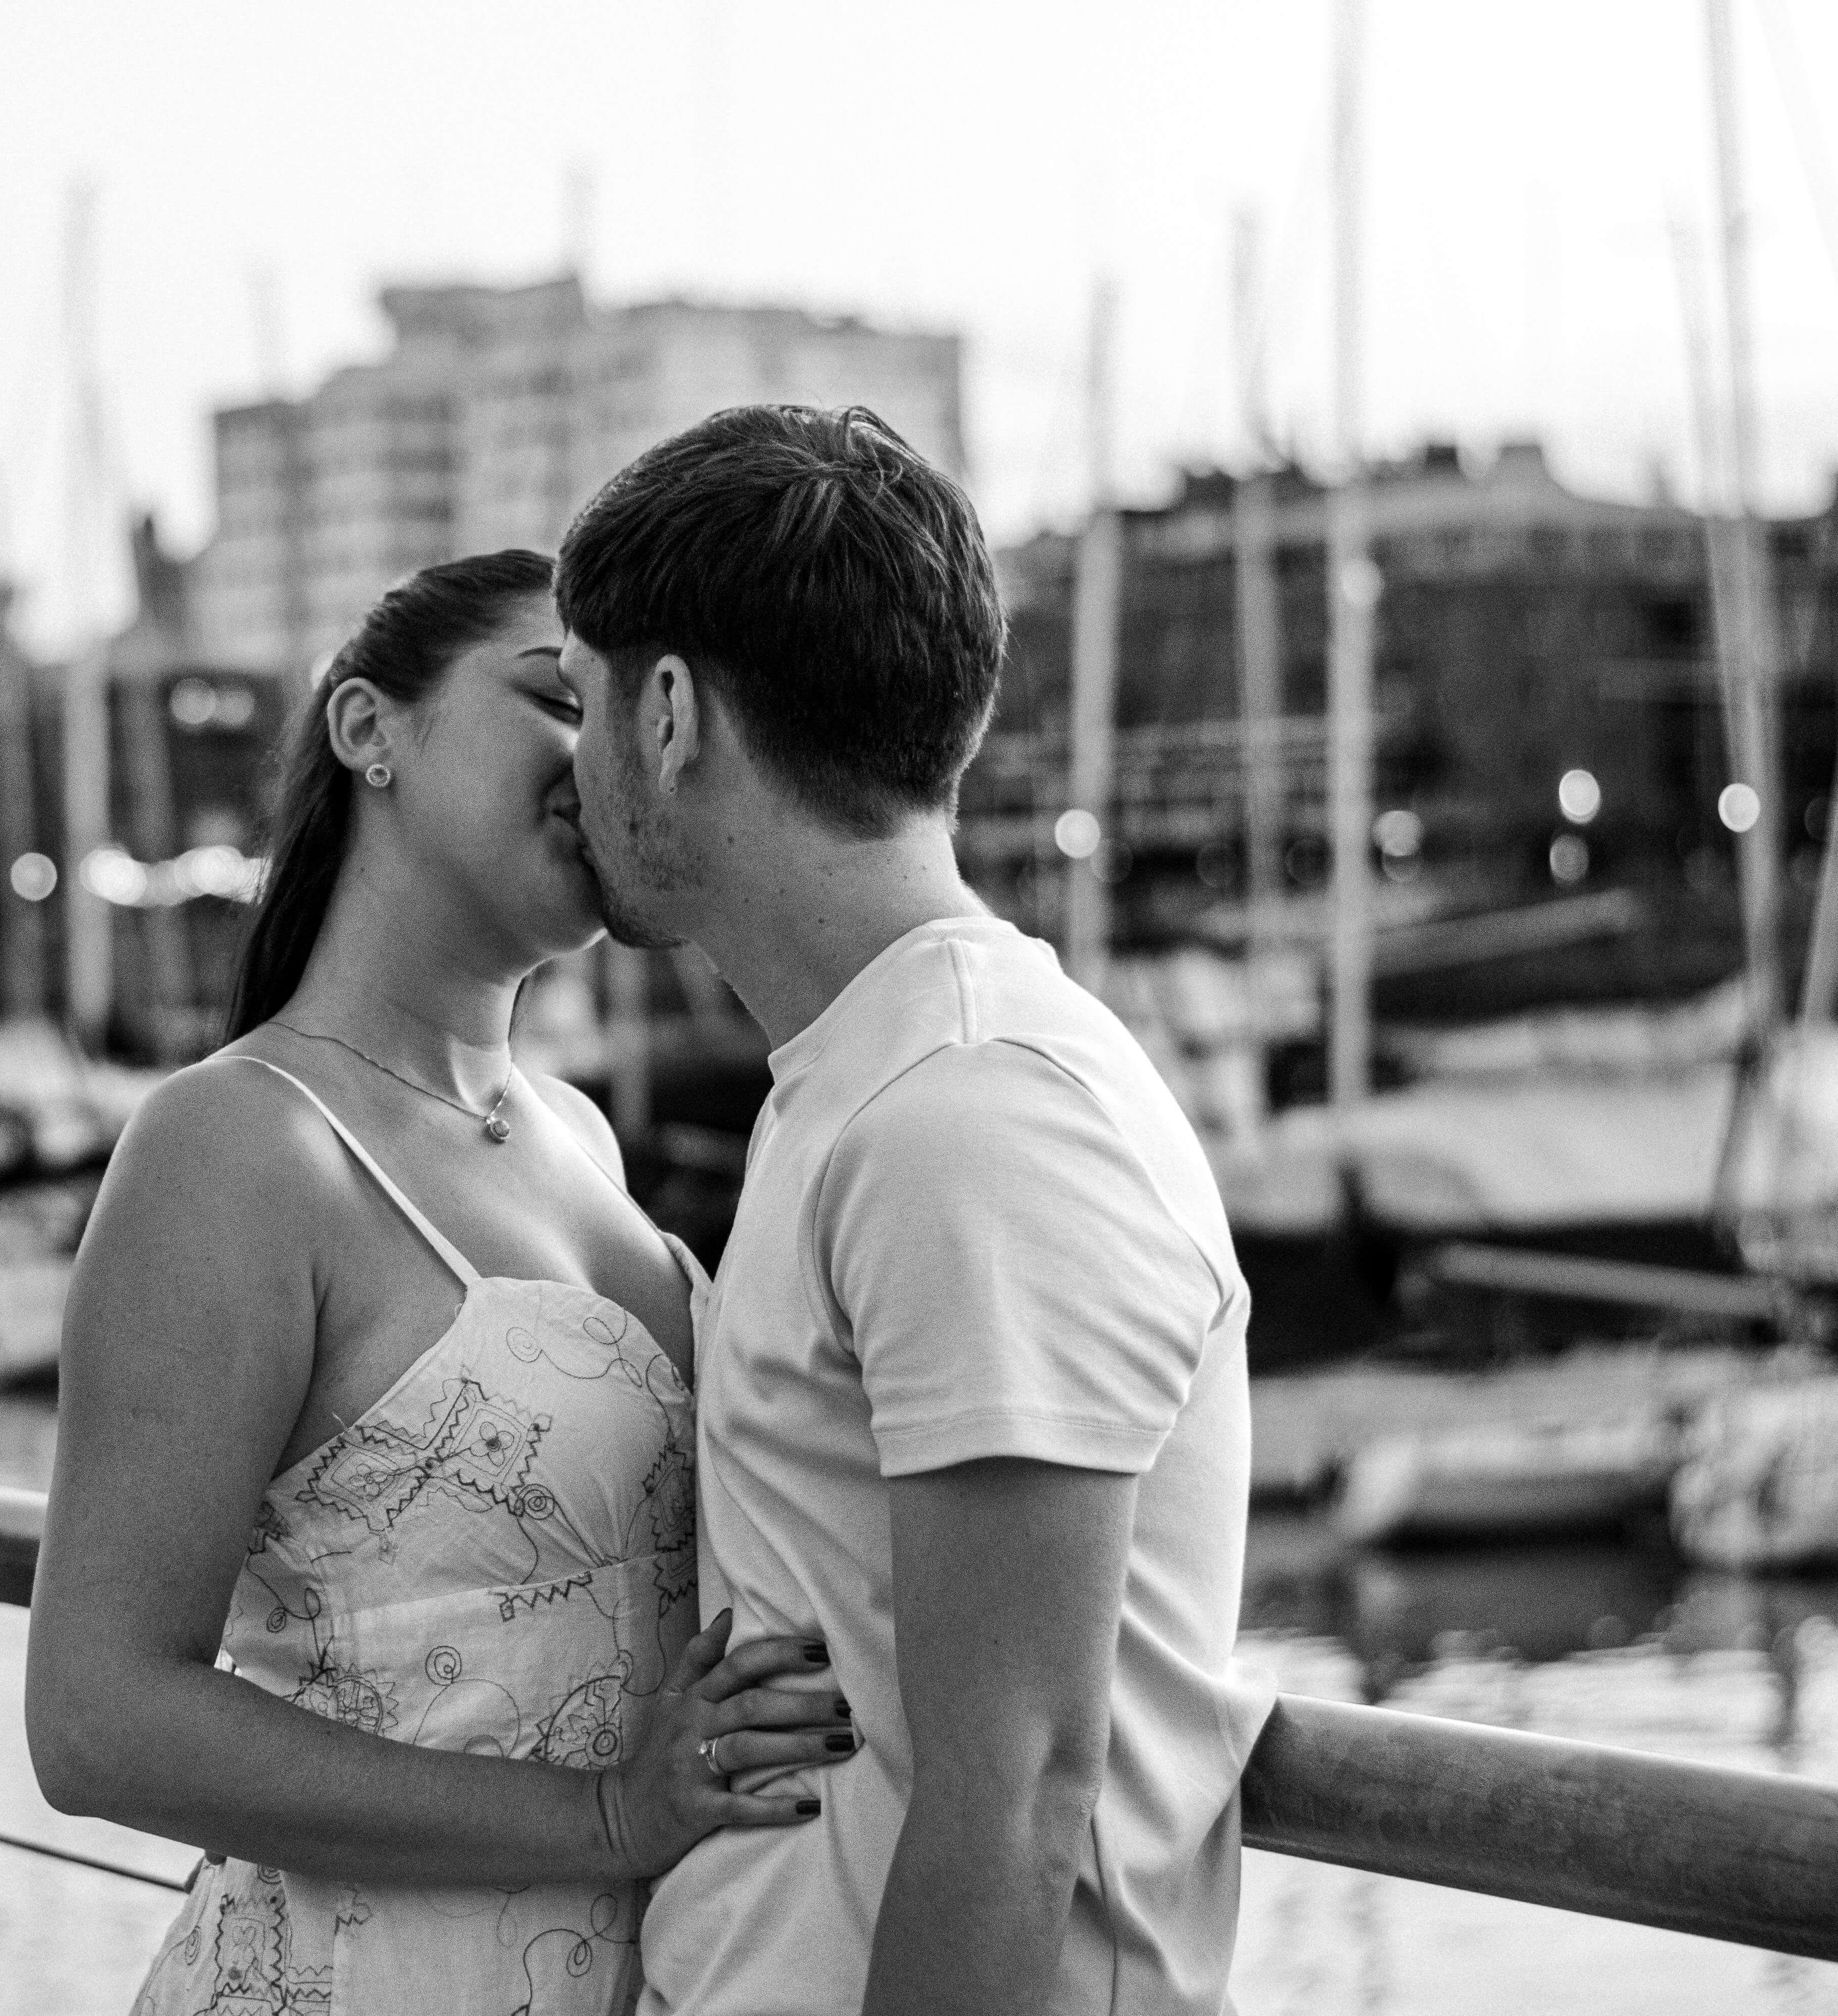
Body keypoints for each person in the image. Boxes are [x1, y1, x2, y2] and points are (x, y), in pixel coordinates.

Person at [27, 549, 857, 2016]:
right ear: (369, 730)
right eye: (556, 696)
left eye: (626, 716)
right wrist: (607, 1818)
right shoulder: (239, 1144)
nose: (603, 757)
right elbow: (99, 1720)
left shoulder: (580, 1138)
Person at [554, 406, 1268, 2016]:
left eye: (577, 701)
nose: (569, 765)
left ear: (669, 714)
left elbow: (1017, 1807)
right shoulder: (873, 1084)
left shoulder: (969, 1118)